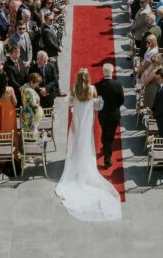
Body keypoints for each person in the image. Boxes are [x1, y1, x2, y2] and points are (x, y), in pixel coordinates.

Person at [55, 68, 122, 222]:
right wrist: (97, 101)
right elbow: (98, 106)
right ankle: (86, 164)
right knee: (86, 142)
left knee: (77, 141)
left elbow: (70, 102)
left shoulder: (74, 89)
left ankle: (76, 163)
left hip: (78, 120)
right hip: (87, 122)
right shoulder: (92, 89)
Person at [94, 64, 125, 167]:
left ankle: (105, 146)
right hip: (114, 114)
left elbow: (96, 100)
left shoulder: (98, 85)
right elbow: (122, 100)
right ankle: (107, 158)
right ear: (112, 72)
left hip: (103, 114)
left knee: (104, 131)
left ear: (103, 72)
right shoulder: (118, 85)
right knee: (110, 136)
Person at [0, 71, 18, 150]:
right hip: (9, 114)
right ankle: (11, 153)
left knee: (0, 133)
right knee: (10, 132)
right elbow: (15, 103)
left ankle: (0, 154)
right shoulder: (10, 90)